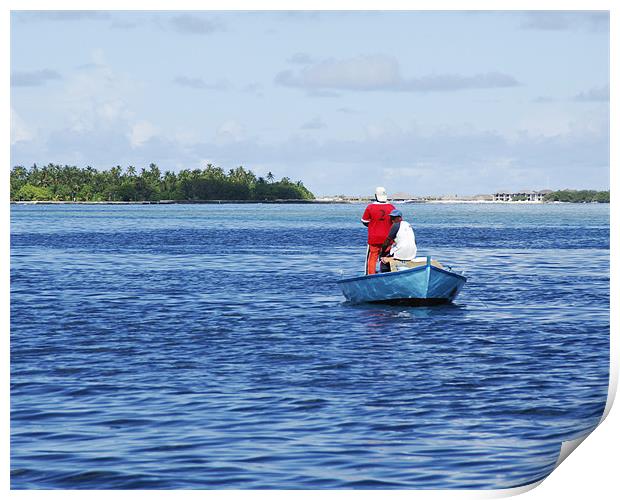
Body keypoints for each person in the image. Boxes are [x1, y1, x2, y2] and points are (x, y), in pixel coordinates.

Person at [361, 187, 396, 275]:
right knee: (386, 257)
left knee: (372, 258)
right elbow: (397, 223)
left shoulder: (370, 207)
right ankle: (386, 275)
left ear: (376, 196)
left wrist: (373, 225)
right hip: (388, 239)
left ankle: (370, 276)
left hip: (374, 238)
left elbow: (364, 221)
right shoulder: (391, 207)